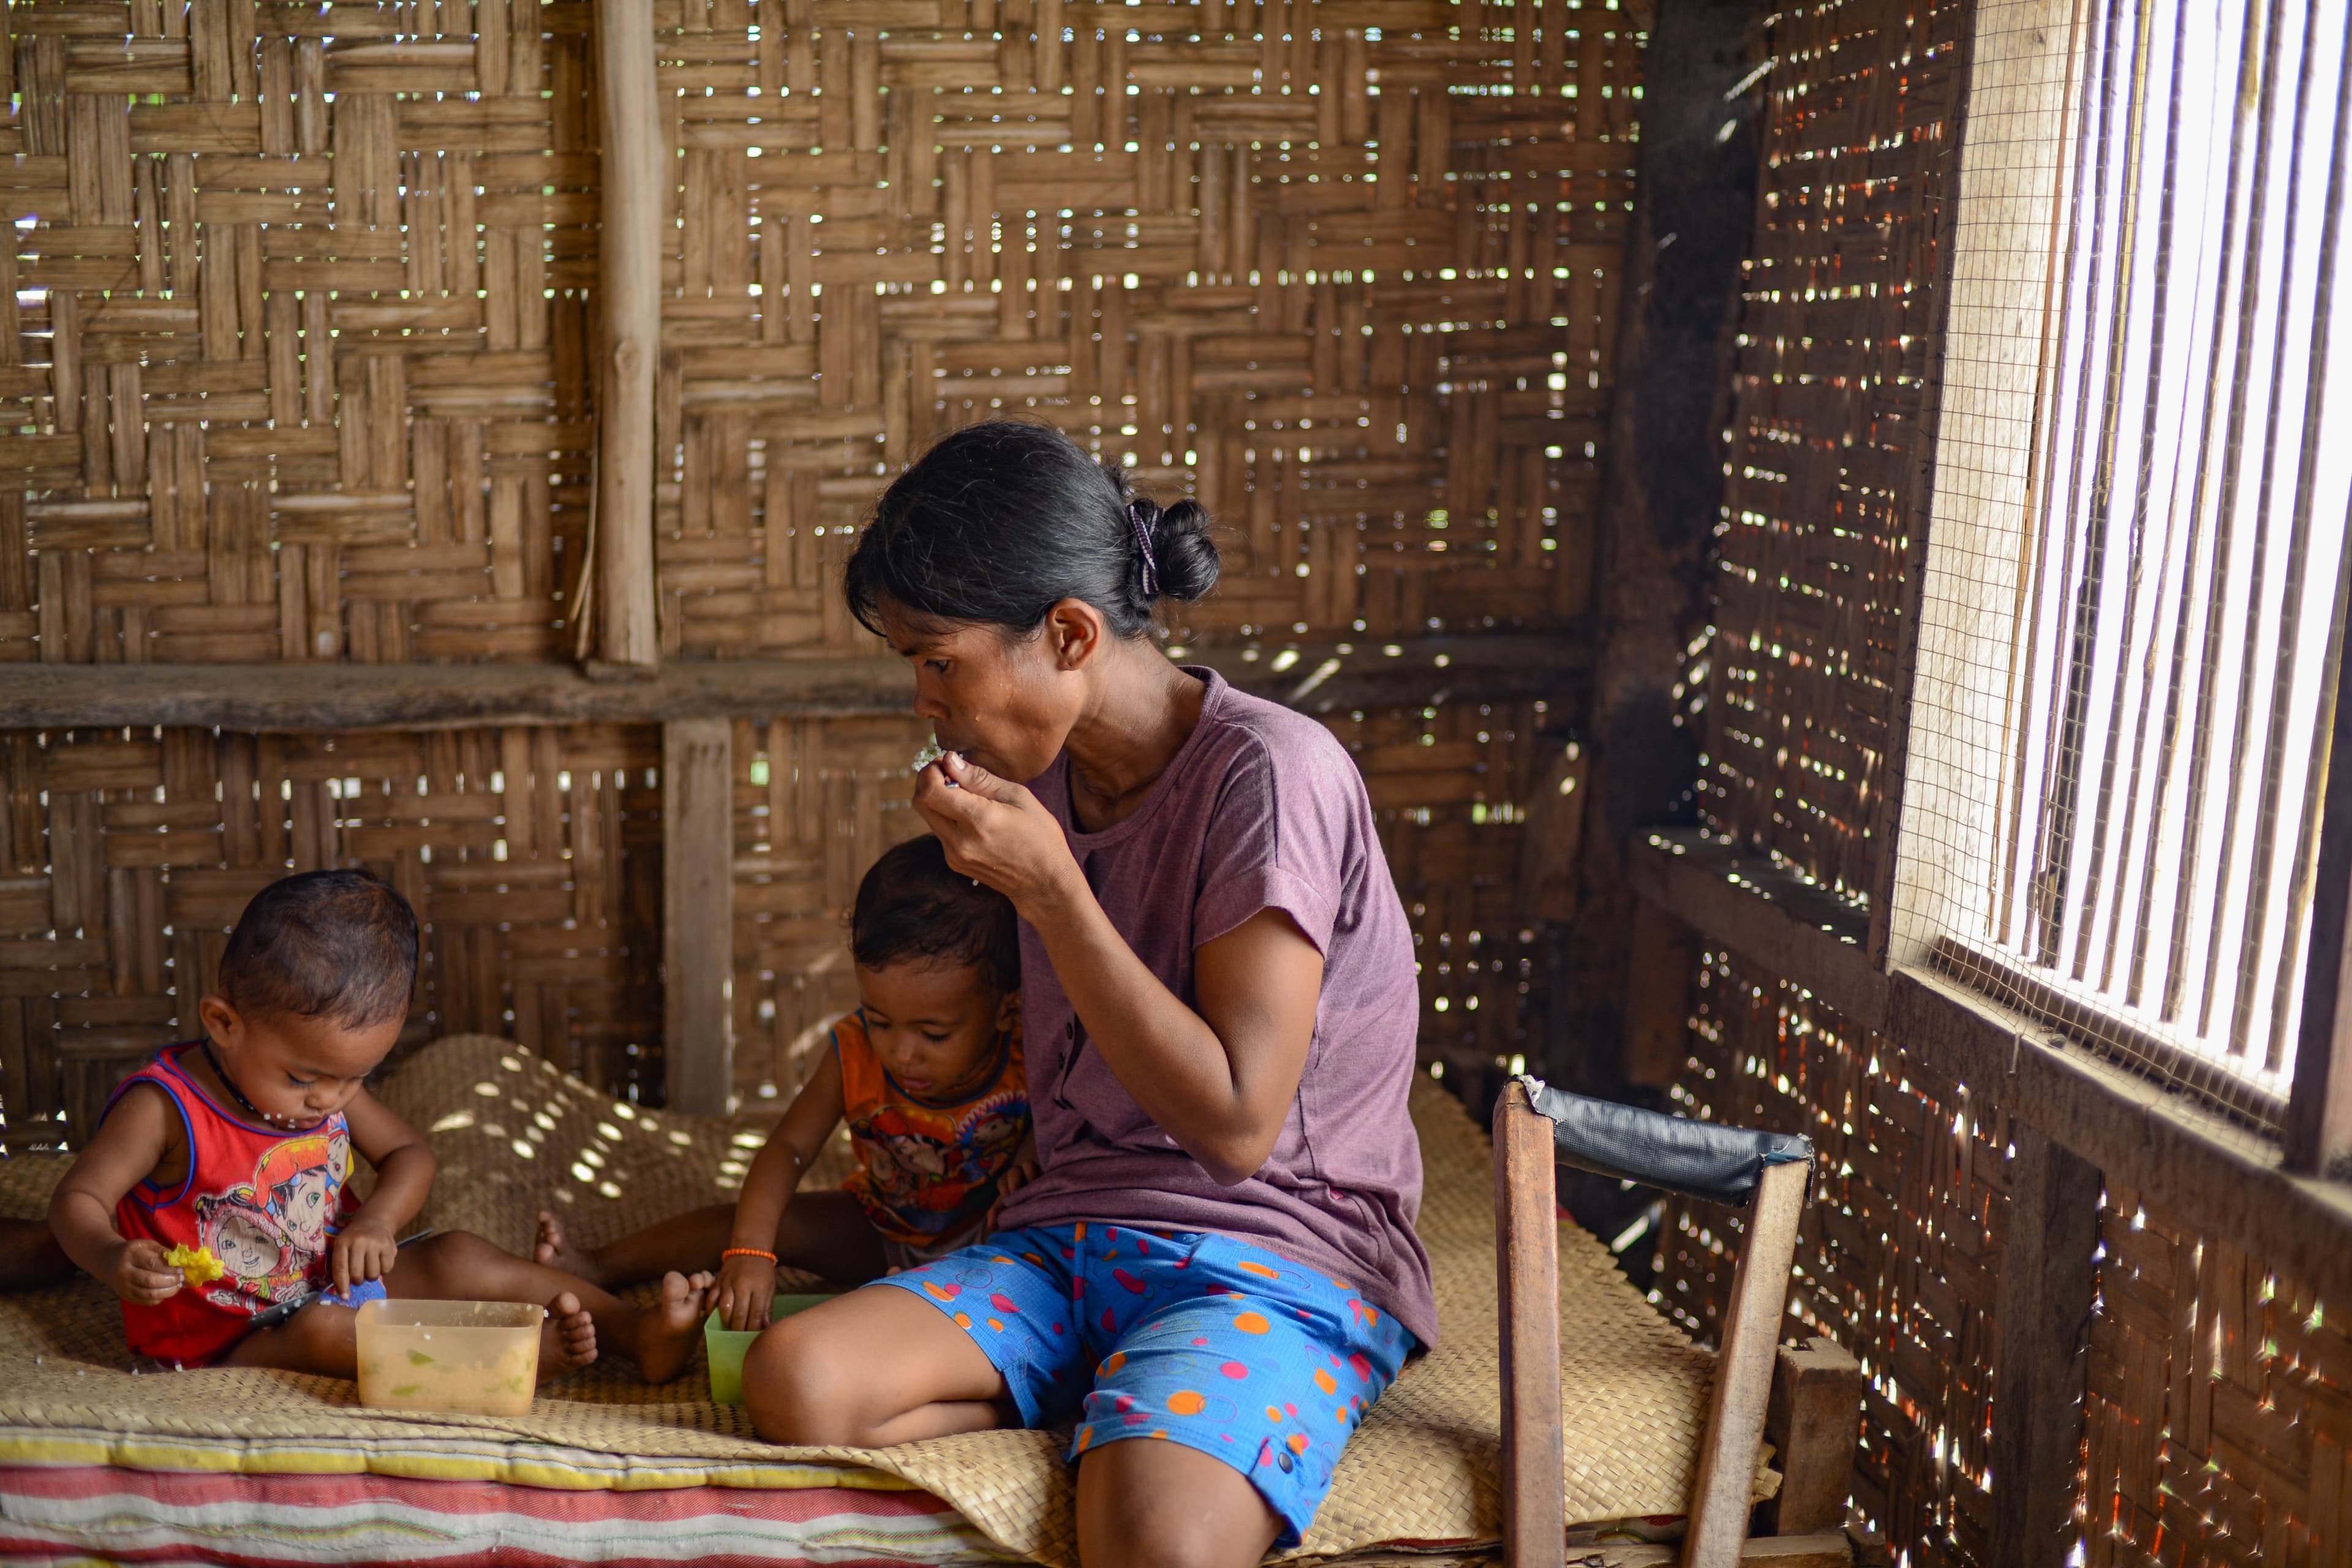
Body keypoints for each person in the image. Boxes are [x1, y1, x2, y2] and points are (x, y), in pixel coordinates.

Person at [739, 421, 1434, 1568]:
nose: (923, 698)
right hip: (1067, 1235)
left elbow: (1236, 1124)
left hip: (1273, 1250)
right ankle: (1116, 1399)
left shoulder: (1272, 776)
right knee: (797, 1382)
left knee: (1151, 1546)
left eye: (939, 659)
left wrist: (1055, 892)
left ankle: (1138, 1412)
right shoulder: (1040, 780)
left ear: (1068, 634)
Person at [47, 869, 714, 1381]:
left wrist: (377, 1223)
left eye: (355, 1078)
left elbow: (409, 1154)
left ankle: (635, 1333)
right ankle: (509, 1361)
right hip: (232, 1336)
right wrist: (110, 1256)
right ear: (224, 1022)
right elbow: (76, 1200)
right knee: (319, 1336)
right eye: (303, 1078)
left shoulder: (329, 1088)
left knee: (459, 1254)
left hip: (337, 1287)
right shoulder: (165, 1109)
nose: (327, 1101)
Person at [533, 834, 1031, 1329]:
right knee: (759, 1217)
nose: (900, 1053)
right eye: (880, 1020)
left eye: (933, 1034)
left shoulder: (1031, 1056)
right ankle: (600, 1263)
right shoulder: (854, 1051)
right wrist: (751, 1252)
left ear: (1007, 1008)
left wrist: (1030, 1163)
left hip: (993, 1241)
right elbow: (789, 1148)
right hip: (878, 1228)